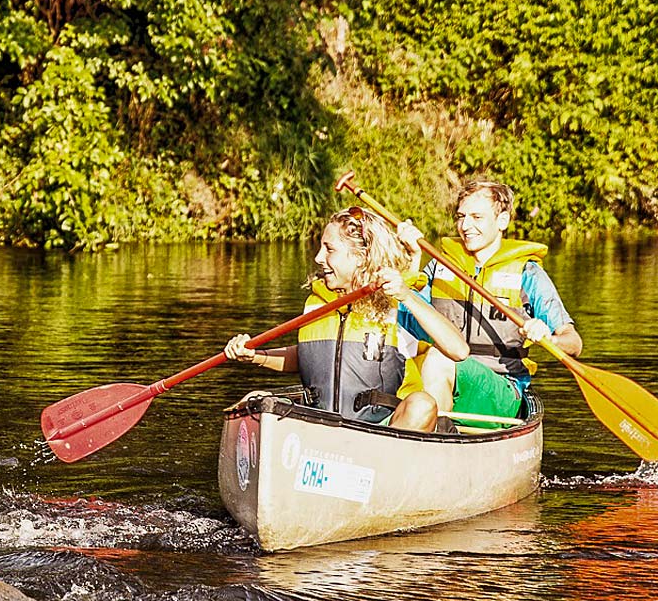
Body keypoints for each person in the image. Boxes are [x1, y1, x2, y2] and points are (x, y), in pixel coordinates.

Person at [223, 207, 470, 430]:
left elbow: (458, 350)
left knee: (422, 404)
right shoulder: (317, 303)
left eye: (329, 249)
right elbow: (307, 357)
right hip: (321, 422)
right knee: (253, 401)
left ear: (361, 257)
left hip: (381, 431)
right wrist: (255, 356)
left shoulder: (397, 303)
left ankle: (384, 472)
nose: (319, 258)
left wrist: (407, 295)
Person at [386, 180, 580, 431]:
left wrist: (548, 338)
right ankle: (435, 431)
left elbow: (574, 343)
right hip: (436, 381)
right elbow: (404, 319)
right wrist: (412, 257)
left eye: (477, 217)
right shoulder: (439, 265)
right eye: (461, 217)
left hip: (501, 390)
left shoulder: (528, 274)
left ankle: (437, 440)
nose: (466, 226)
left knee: (438, 358)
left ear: (502, 221)